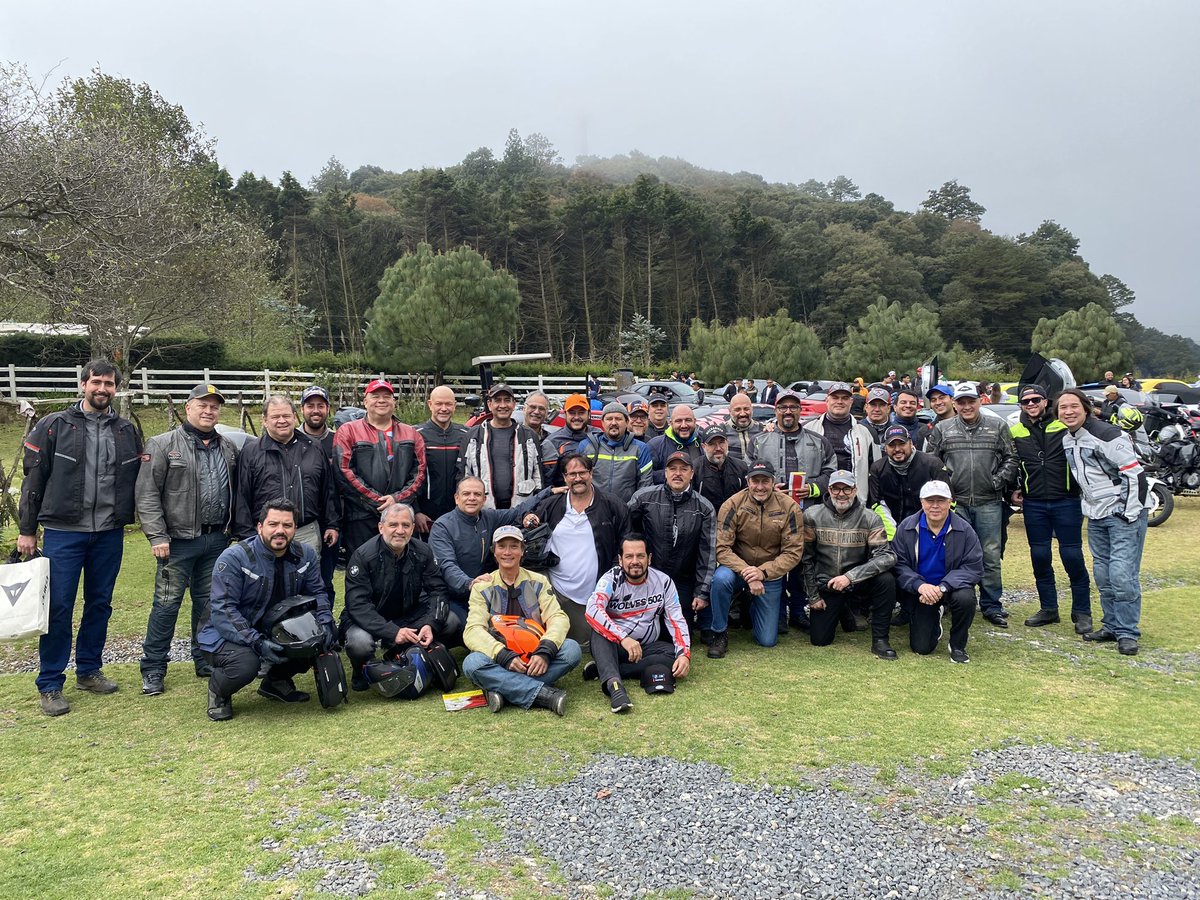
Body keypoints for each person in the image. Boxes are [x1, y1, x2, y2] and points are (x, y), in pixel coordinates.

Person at [19, 360, 143, 716]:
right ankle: (50, 683)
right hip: (63, 532)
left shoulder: (125, 430)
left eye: (109, 383)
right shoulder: (54, 425)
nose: (103, 389)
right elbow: (33, 481)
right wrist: (27, 530)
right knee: (59, 607)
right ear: (83, 384)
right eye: (97, 382)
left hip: (109, 532)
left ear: (116, 388)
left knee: (100, 603)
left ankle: (88, 670)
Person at [136, 383, 239, 696]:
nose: (209, 411)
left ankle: (203, 657)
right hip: (176, 543)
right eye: (202, 405)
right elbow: (147, 494)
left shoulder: (228, 447)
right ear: (188, 407)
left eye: (214, 406)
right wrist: (157, 535)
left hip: (216, 541)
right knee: (166, 605)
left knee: (208, 605)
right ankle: (153, 668)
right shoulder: (163, 444)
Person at [199, 498, 335, 721]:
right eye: (273, 524)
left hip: (271, 628)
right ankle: (218, 690)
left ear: (294, 528)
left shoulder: (306, 554)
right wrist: (257, 642)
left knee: (316, 638)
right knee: (246, 664)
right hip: (223, 632)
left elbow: (318, 594)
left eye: (287, 525)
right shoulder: (234, 557)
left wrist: (326, 622)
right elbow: (223, 610)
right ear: (260, 527)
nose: (280, 531)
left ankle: (276, 682)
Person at [1056, 388, 1150, 656]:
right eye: (1063, 408)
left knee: (1122, 575)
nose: (1068, 412)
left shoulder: (1109, 435)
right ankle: (1111, 625)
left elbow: (1135, 476)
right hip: (1095, 515)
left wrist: (1128, 512)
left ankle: (1127, 632)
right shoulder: (1068, 439)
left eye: (1074, 406)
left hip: (1122, 515)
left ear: (1086, 408)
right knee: (1103, 575)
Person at [924, 382, 1018, 628]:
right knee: (953, 555)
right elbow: (933, 462)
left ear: (980, 401)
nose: (966, 406)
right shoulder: (943, 429)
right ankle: (954, 601)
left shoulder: (997, 426)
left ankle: (991, 605)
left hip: (989, 502)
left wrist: (996, 482)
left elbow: (1011, 457)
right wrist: (947, 490)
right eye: (961, 402)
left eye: (971, 401)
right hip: (956, 504)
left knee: (990, 555)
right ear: (955, 404)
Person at [461, 525, 581, 715]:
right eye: (502, 547)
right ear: (494, 552)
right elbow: (473, 630)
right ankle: (543, 694)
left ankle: (504, 688)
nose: (507, 552)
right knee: (472, 664)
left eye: (514, 546)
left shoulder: (538, 581)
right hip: (501, 658)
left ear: (522, 551)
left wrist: (545, 651)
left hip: (536, 654)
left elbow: (557, 617)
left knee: (572, 650)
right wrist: (502, 655)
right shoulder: (482, 587)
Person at [342, 503, 458, 689]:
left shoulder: (424, 551)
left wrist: (430, 624)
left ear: (413, 528)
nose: (399, 531)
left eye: (405, 525)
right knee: (359, 642)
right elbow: (358, 605)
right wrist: (392, 632)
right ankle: (362, 671)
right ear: (381, 527)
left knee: (450, 620)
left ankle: (411, 655)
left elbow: (438, 591)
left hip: (409, 614)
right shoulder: (362, 556)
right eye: (393, 525)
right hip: (371, 618)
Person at [1010, 385, 1093, 634]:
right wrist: (1014, 488)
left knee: (1072, 557)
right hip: (1033, 502)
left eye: (1036, 399)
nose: (1031, 404)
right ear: (1021, 405)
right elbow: (1013, 462)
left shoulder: (1063, 424)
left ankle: (1082, 612)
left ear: (1046, 401)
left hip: (1066, 500)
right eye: (1026, 401)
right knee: (1040, 557)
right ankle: (1048, 608)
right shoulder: (1015, 429)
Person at [708, 459, 804, 657]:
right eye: (755, 481)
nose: (760, 487)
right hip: (737, 568)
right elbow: (722, 548)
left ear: (773, 481)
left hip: (769, 572)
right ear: (747, 481)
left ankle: (749, 604)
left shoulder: (790, 507)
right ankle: (719, 632)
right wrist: (747, 572)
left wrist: (763, 572)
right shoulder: (732, 504)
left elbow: (793, 552)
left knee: (767, 641)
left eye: (765, 481)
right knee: (720, 580)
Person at [531, 452, 629, 645]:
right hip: (554, 587)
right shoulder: (551, 505)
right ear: (565, 477)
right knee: (545, 636)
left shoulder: (612, 505)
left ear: (591, 473)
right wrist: (528, 519)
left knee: (582, 640)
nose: (577, 478)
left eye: (582, 472)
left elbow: (626, 542)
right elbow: (527, 524)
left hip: (591, 591)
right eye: (572, 474)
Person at [585, 534, 691, 713]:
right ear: (620, 560)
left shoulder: (664, 582)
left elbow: (676, 619)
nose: (635, 561)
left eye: (640, 556)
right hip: (616, 645)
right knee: (598, 634)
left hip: (646, 648)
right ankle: (615, 688)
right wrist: (623, 638)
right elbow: (592, 609)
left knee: (673, 655)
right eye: (629, 556)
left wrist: (684, 654)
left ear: (649, 558)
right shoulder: (610, 579)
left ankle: (607, 669)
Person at [801, 471, 898, 659]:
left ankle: (880, 639)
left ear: (855, 490)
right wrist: (813, 597)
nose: (841, 493)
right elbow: (806, 559)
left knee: (886, 581)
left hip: (859, 582)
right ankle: (842, 609)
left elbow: (887, 556)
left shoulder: (870, 518)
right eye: (836, 489)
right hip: (828, 583)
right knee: (819, 640)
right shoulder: (812, 515)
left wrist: (850, 577)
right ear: (829, 490)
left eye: (846, 488)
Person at [428, 476, 555, 617]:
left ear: (484, 500)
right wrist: (468, 583)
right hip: (454, 596)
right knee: (465, 627)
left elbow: (518, 511)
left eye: (477, 494)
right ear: (456, 498)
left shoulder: (489, 517)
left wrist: (549, 492)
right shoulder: (442, 526)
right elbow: (446, 565)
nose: (472, 498)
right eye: (466, 494)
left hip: (485, 592)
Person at [234, 395, 338, 560]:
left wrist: (332, 524)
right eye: (275, 417)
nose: (282, 420)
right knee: (266, 583)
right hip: (265, 535)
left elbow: (328, 490)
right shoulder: (251, 452)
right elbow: (241, 497)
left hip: (306, 533)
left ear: (295, 417)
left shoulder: (314, 448)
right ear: (265, 420)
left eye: (286, 416)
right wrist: (247, 536)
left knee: (307, 583)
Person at [891, 481, 984, 663]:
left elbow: (973, 567)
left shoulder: (965, 530)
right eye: (929, 500)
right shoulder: (907, 527)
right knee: (921, 648)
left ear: (950, 502)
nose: (935, 506)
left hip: (950, 589)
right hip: (921, 591)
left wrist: (942, 587)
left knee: (966, 598)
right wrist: (919, 585)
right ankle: (935, 615)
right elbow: (898, 563)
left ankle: (957, 645)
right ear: (921, 502)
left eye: (940, 500)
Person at [628, 451, 717, 640]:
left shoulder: (705, 508)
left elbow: (707, 553)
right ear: (665, 473)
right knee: (644, 633)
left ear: (692, 474)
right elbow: (626, 536)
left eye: (683, 469)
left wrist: (701, 592)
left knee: (676, 637)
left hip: (682, 580)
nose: (678, 473)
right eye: (673, 469)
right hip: (647, 578)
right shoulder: (643, 498)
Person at [333, 378, 426, 554]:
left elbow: (420, 473)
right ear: (365, 401)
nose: (381, 400)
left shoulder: (411, 433)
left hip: (401, 516)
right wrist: (378, 502)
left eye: (387, 396)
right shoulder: (347, 431)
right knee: (364, 569)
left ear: (394, 402)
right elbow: (343, 472)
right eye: (375, 396)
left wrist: (397, 500)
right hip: (361, 518)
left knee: (403, 569)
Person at [458, 383, 543, 510]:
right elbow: (463, 475)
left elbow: (538, 477)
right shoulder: (473, 435)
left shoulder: (529, 436)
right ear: (489, 404)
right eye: (497, 400)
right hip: (484, 512)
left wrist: (537, 509)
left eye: (507, 400)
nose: (502, 405)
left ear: (514, 404)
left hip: (521, 511)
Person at [868, 425, 950, 539]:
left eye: (902, 444)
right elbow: (876, 504)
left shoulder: (933, 464)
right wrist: (893, 537)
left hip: (929, 527)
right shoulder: (877, 468)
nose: (897, 449)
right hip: (893, 527)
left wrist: (935, 529)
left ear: (911, 443)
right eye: (892, 445)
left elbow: (949, 500)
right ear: (885, 448)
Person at [299, 384, 341, 601]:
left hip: (332, 521)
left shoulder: (339, 440)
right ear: (302, 409)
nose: (315, 410)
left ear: (328, 409)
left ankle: (326, 625)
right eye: (310, 406)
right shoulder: (292, 439)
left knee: (325, 578)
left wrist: (335, 522)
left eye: (321, 406)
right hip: (301, 522)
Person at [803, 381, 877, 489]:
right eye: (835, 397)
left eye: (845, 398)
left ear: (851, 402)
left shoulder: (867, 433)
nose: (840, 401)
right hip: (817, 497)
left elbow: (876, 473)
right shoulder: (808, 428)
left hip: (854, 497)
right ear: (827, 400)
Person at [574, 401, 653, 502]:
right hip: (592, 511)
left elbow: (645, 486)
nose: (614, 423)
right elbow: (577, 481)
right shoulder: (586, 446)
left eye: (619, 419)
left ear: (627, 422)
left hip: (627, 511)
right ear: (602, 422)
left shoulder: (640, 448)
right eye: (609, 419)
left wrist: (629, 510)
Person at [415, 385, 468, 532]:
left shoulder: (466, 434)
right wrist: (415, 511)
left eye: (448, 404)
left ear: (455, 406)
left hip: (459, 512)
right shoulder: (415, 434)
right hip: (425, 516)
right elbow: (406, 475)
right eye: (439, 404)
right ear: (430, 404)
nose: (444, 408)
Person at [542, 393, 595, 486]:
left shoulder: (598, 435)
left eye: (581, 412)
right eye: (572, 413)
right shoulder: (552, 442)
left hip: (597, 495)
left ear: (589, 414)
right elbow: (548, 481)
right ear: (565, 414)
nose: (576, 417)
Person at [693, 425, 747, 513]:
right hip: (706, 521)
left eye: (721, 442)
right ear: (703, 446)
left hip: (735, 521)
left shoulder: (741, 467)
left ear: (727, 443)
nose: (718, 448)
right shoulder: (695, 469)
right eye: (712, 444)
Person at [647, 404, 703, 481]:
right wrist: (673, 475)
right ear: (671, 423)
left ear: (695, 421)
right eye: (678, 421)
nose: (684, 425)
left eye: (688, 420)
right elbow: (647, 477)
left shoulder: (704, 440)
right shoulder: (655, 446)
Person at [724, 393, 761, 461]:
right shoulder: (722, 431)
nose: (743, 414)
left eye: (746, 409)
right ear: (730, 411)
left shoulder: (762, 430)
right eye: (737, 410)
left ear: (752, 409)